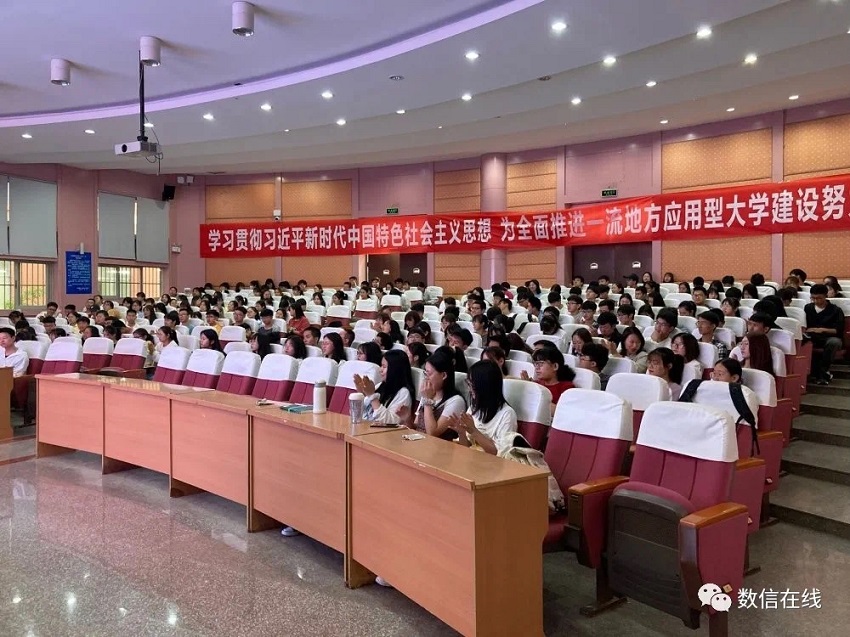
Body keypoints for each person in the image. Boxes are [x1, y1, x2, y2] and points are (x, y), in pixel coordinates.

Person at [447, 360, 517, 456]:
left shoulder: (507, 414)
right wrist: (461, 433)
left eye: (471, 385)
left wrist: (474, 430)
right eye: (468, 384)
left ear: (485, 386)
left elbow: (499, 454)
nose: (469, 389)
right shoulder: (474, 408)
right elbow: (466, 447)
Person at [353, 350, 415, 425]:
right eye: (381, 366)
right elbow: (360, 414)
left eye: (384, 366)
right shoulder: (381, 385)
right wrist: (361, 394)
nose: (380, 370)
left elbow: (390, 422)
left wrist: (372, 396)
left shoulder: (403, 393)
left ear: (395, 369)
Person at [804, 284, 845, 384]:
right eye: (813, 298)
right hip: (812, 336)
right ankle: (809, 371)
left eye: (819, 298)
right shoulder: (808, 308)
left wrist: (822, 330)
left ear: (825, 296)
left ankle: (823, 371)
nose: (815, 301)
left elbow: (838, 330)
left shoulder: (836, 310)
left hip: (829, 337)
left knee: (834, 342)